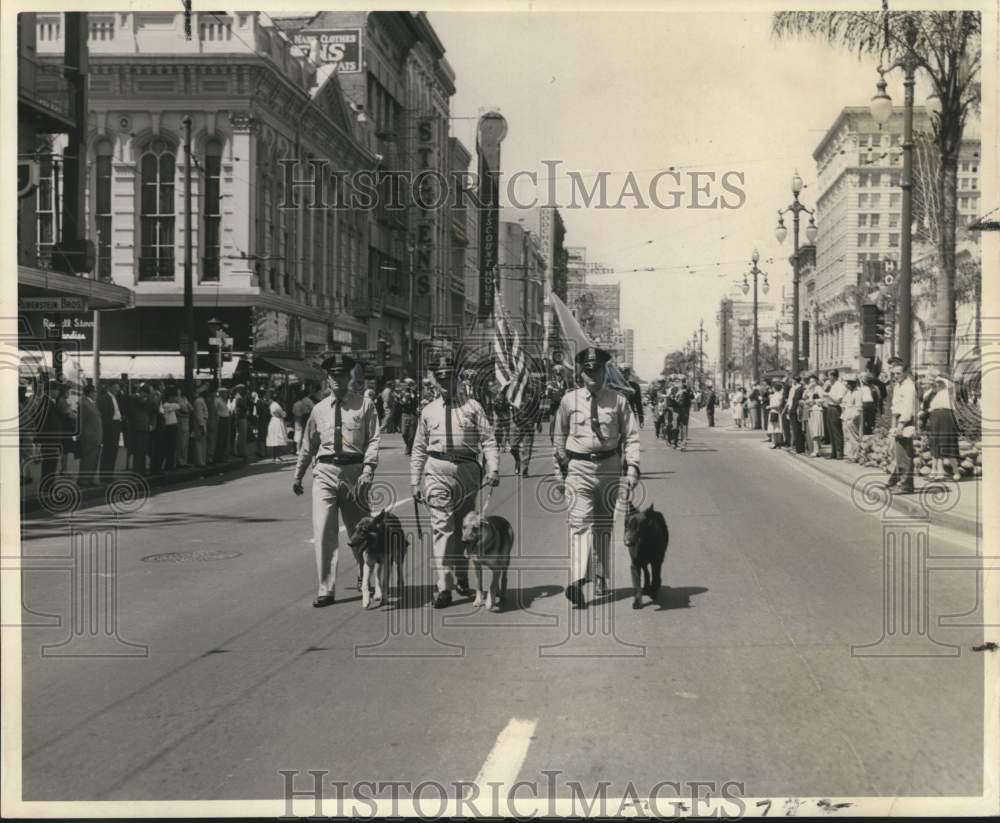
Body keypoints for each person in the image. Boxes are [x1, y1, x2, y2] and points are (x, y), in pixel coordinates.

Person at [554, 346, 640, 609]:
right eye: (588, 370)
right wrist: (559, 471)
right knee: (579, 523)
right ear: (581, 372)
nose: (593, 374)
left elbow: (632, 436)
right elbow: (558, 436)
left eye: (597, 370)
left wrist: (633, 467)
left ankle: (601, 575)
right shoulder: (569, 401)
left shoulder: (618, 401)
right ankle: (578, 581)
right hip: (578, 468)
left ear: (605, 371)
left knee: (603, 526)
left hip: (609, 468)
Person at [411, 354, 499, 609]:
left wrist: (493, 468)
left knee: (464, 528)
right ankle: (444, 586)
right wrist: (415, 481)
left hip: (468, 471)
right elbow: (419, 448)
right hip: (437, 468)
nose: (444, 383)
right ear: (434, 381)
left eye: (448, 377)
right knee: (442, 528)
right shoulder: (428, 411)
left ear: (457, 378)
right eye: (439, 378)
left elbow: (488, 440)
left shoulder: (473, 407)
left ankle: (461, 577)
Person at [293, 353, 381, 608]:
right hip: (325, 472)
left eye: (341, 375)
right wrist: (298, 474)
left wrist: (369, 468)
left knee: (360, 531)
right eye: (332, 375)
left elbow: (374, 439)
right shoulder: (318, 409)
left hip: (355, 473)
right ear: (327, 378)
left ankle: (365, 577)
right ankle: (326, 588)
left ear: (349, 377)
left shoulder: (364, 405)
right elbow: (308, 445)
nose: (336, 380)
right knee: (323, 531)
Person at [887, 357, 917, 493]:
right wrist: (893, 425)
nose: (895, 376)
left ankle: (906, 485)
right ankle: (898, 481)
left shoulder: (909, 386)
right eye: (894, 374)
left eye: (898, 373)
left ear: (905, 373)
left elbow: (908, 409)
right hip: (898, 421)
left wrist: (900, 426)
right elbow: (895, 407)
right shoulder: (898, 385)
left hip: (905, 422)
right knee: (898, 455)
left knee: (904, 454)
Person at [923, 371, 960, 480]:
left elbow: (949, 382)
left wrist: (937, 374)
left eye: (935, 381)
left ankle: (956, 471)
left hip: (947, 415)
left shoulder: (948, 389)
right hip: (934, 417)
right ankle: (939, 471)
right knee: (936, 443)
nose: (935, 383)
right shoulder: (929, 393)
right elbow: (924, 405)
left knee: (948, 442)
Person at [77, 384, 103, 486]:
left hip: (95, 437)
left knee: (93, 460)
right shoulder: (84, 404)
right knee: (87, 460)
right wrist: (81, 436)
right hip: (89, 437)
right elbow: (81, 421)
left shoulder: (90, 403)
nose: (96, 394)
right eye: (95, 392)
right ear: (90, 393)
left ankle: (89, 479)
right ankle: (83, 480)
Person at [98, 381, 124, 479]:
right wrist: (108, 425)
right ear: (110, 388)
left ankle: (109, 473)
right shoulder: (105, 398)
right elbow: (104, 414)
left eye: (118, 387)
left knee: (113, 451)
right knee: (108, 451)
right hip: (110, 427)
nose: (118, 389)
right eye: (116, 387)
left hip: (116, 425)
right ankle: (105, 475)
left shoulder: (115, 397)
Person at [823, 369, 847, 460]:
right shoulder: (831, 386)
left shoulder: (839, 386)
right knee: (831, 431)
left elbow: (838, 400)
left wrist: (828, 396)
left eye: (829, 376)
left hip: (835, 409)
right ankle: (833, 452)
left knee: (836, 431)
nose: (828, 378)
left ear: (834, 376)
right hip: (829, 408)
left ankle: (839, 452)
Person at [841, 373, 863, 462]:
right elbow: (844, 403)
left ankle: (855, 456)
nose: (847, 385)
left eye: (849, 383)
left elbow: (859, 408)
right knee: (847, 437)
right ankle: (850, 455)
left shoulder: (858, 393)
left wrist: (853, 419)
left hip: (852, 417)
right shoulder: (848, 393)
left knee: (854, 437)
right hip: (846, 416)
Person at [159, 386, 180, 472]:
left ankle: (170, 465)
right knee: (170, 447)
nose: (174, 398)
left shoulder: (168, 405)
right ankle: (168, 466)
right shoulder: (166, 405)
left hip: (173, 426)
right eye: (172, 397)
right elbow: (178, 406)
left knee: (172, 447)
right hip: (169, 427)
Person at [805, 374, 825, 457]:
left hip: (817, 410)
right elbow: (804, 396)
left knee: (816, 431)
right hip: (811, 410)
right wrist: (808, 389)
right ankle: (816, 450)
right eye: (810, 381)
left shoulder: (819, 388)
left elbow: (822, 400)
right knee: (813, 431)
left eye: (813, 381)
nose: (811, 383)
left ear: (816, 381)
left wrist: (814, 401)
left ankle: (817, 450)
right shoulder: (810, 389)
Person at [398, 377, 419, 456]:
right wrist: (405, 398)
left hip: (413, 414)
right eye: (407, 384)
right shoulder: (402, 393)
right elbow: (400, 404)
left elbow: (417, 403)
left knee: (412, 434)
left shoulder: (415, 393)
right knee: (404, 433)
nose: (408, 386)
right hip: (405, 414)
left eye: (410, 384)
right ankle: (408, 445)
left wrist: (413, 395)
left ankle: (409, 448)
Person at [674, 377, 694, 450]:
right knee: (678, 426)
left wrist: (687, 392)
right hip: (679, 410)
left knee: (682, 426)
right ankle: (677, 443)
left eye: (682, 381)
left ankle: (681, 443)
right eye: (680, 381)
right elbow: (670, 397)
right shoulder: (675, 388)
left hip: (683, 409)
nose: (681, 382)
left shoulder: (687, 389)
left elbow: (692, 396)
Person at [266, 395, 287, 462]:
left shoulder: (272, 405)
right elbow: (282, 414)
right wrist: (284, 413)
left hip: (273, 421)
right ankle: (277, 456)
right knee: (277, 439)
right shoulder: (276, 405)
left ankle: (275, 456)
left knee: (275, 439)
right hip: (277, 421)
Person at [191, 384, 209, 467]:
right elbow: (199, 415)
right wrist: (201, 425)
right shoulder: (199, 401)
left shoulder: (201, 401)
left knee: (202, 443)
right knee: (199, 442)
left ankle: (202, 460)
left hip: (202, 422)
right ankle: (200, 461)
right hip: (200, 423)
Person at [175, 388, 192, 468]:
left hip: (186, 420)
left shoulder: (185, 399)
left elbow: (191, 408)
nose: (180, 391)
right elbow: (176, 411)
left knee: (186, 441)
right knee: (181, 442)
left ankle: (184, 461)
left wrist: (187, 411)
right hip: (180, 420)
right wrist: (184, 413)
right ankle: (180, 461)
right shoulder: (176, 399)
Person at [214, 387, 232, 463]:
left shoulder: (225, 401)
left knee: (225, 438)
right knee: (220, 439)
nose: (226, 394)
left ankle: (224, 456)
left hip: (226, 419)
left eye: (226, 393)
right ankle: (219, 457)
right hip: (221, 419)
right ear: (221, 393)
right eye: (224, 393)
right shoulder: (217, 400)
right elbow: (215, 411)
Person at [767, 379, 784, 448]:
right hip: (776, 412)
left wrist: (769, 406)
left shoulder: (776, 396)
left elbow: (778, 404)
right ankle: (778, 442)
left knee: (773, 428)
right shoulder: (778, 395)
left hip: (774, 412)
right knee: (777, 428)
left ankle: (774, 443)